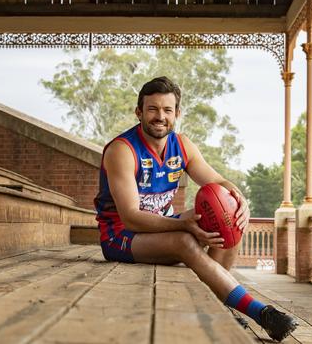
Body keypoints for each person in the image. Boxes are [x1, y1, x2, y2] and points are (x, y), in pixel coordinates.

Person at [94, 76, 297, 341]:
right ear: (139, 112)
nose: (160, 116)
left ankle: (218, 305)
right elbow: (131, 218)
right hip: (120, 236)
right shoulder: (123, 150)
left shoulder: (182, 145)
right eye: (152, 109)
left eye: (167, 110)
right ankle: (261, 313)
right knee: (184, 241)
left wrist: (240, 199)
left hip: (157, 227)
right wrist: (183, 224)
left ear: (176, 114)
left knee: (228, 223)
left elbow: (218, 182)